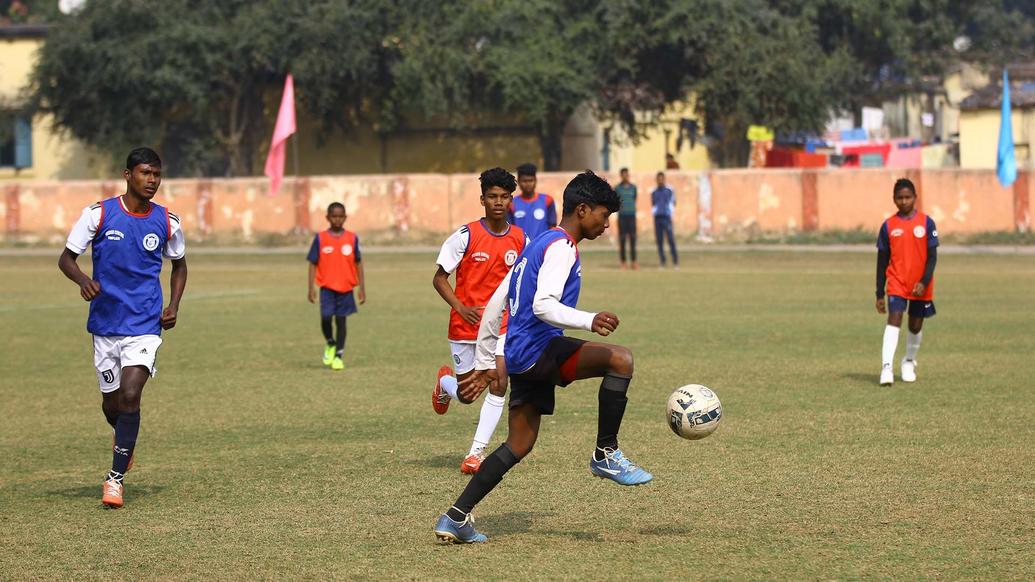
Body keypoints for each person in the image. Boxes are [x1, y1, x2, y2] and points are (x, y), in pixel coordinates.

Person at [433, 171, 652, 545]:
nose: (606, 223)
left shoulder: (537, 243)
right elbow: (543, 306)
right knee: (620, 360)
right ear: (582, 210)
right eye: (603, 215)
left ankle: (454, 517)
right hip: (538, 350)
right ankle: (605, 452)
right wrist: (589, 319)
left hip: (520, 356)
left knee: (519, 443)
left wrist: (488, 360)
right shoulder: (562, 246)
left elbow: (496, 303)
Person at [57, 147, 187, 509]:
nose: (152, 181)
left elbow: (179, 265)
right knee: (112, 404)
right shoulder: (99, 214)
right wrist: (83, 279)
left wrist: (173, 304)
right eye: (146, 173)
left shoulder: (167, 221)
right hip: (105, 322)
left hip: (144, 323)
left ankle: (114, 480)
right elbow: (67, 258)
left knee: (131, 395)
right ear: (127, 174)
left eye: (157, 175)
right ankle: (123, 440)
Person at [432, 167, 527, 474]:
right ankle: (444, 384)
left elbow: (524, 283)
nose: (498, 202)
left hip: (499, 327)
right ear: (482, 199)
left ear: (511, 200)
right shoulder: (466, 235)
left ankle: (475, 453)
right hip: (464, 326)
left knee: (499, 381)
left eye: (504, 197)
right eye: (492, 196)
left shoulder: (520, 238)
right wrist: (461, 308)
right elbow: (439, 278)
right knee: (468, 394)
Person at [875, 178, 938, 386]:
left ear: (915, 198)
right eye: (899, 198)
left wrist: (924, 281)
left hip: (921, 283)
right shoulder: (888, 226)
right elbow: (881, 261)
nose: (904, 201)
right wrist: (879, 293)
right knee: (894, 320)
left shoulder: (927, 223)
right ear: (894, 200)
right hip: (897, 281)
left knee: (915, 325)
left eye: (907, 197)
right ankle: (886, 368)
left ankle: (909, 361)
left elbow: (932, 257)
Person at [307, 202, 366, 371]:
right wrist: (311, 288)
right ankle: (330, 343)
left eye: (341, 216)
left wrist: (362, 288)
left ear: (345, 217)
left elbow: (358, 263)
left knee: (341, 321)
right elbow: (312, 263)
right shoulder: (320, 238)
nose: (337, 220)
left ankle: (339, 355)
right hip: (326, 287)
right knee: (326, 318)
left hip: (346, 288)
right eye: (334, 216)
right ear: (328, 218)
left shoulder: (352, 238)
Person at [507, 162, 557, 241]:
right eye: (524, 181)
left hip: (541, 249)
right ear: (518, 182)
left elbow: (552, 228)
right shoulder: (511, 204)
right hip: (521, 249)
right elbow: (509, 230)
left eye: (530, 180)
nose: (528, 184)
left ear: (535, 181)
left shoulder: (548, 200)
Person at [651, 172, 678, 268]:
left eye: (661, 179)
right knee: (659, 241)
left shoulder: (669, 190)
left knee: (670, 239)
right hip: (657, 218)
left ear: (664, 179)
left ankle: (675, 261)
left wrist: (669, 211)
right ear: (656, 180)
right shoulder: (654, 191)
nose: (660, 180)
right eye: (658, 179)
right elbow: (653, 203)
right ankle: (662, 261)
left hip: (666, 217)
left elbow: (674, 202)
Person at [615, 167, 638, 270]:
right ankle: (623, 262)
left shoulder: (633, 187)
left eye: (626, 174)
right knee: (623, 239)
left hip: (631, 215)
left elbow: (634, 198)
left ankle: (634, 261)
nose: (625, 176)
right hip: (622, 216)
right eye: (623, 174)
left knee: (632, 238)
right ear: (621, 176)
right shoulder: (617, 188)